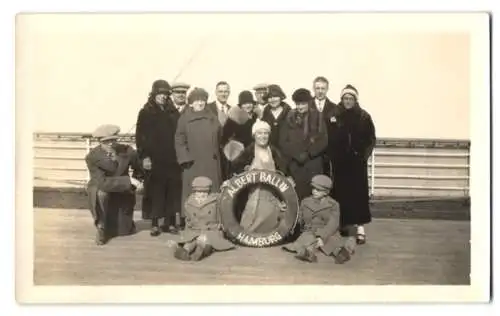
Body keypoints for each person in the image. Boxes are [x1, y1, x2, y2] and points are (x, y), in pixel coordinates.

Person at [326, 84, 376, 244]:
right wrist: (333, 156)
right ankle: (344, 224)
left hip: (357, 163)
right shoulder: (333, 115)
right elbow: (328, 138)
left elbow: (371, 139)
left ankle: (360, 228)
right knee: (341, 193)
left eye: (351, 98)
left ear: (355, 100)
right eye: (345, 98)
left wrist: (363, 156)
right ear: (341, 99)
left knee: (358, 195)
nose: (348, 101)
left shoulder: (364, 116)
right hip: (340, 163)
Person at [135, 79, 183, 236]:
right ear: (154, 95)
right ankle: (155, 223)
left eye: (165, 94)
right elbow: (140, 137)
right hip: (154, 159)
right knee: (155, 191)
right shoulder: (146, 113)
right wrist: (144, 157)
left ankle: (169, 223)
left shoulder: (173, 112)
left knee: (171, 191)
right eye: (160, 94)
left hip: (172, 158)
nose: (163, 97)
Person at [229, 120, 294, 234]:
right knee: (250, 222)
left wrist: (288, 179)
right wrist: (246, 170)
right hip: (254, 193)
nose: (263, 136)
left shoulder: (273, 151)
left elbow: (284, 170)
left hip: (272, 193)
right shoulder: (249, 151)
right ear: (254, 135)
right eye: (259, 133)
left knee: (272, 217)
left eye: (265, 133)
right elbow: (235, 168)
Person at [85, 124, 144, 245]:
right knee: (100, 193)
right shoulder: (92, 157)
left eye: (113, 140)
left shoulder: (127, 151)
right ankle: (101, 226)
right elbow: (103, 183)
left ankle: (122, 223)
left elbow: (140, 169)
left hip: (122, 192)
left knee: (124, 231)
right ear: (99, 142)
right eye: (106, 141)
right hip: (101, 187)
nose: (111, 144)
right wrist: (128, 181)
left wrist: (136, 182)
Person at [281, 175, 356, 264]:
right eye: (313, 188)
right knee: (305, 242)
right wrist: (287, 211)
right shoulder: (305, 202)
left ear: (326, 192)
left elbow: (333, 224)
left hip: (328, 232)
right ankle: (308, 254)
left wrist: (322, 237)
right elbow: (299, 219)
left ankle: (341, 252)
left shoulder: (333, 205)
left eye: (318, 190)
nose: (314, 191)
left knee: (332, 244)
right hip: (309, 231)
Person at [175, 87, 223, 217]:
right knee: (193, 190)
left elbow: (220, 137)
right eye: (197, 101)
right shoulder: (184, 119)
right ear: (191, 102)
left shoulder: (212, 117)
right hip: (193, 163)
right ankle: (190, 218)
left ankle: (213, 217)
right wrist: (185, 158)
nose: (200, 103)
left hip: (210, 162)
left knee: (211, 190)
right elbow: (179, 140)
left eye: (202, 100)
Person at [279, 88, 328, 201]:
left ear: (309, 103)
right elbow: (283, 142)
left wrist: (309, 153)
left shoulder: (318, 117)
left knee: (313, 195)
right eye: (297, 104)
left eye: (303, 104)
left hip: (313, 163)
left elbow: (323, 140)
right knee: (296, 196)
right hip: (295, 165)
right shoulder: (289, 118)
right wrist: (296, 154)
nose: (300, 107)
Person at [171, 176, 236, 261]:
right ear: (194, 192)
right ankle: (184, 251)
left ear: (209, 192)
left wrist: (227, 186)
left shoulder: (216, 200)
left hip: (212, 230)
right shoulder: (189, 203)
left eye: (204, 192)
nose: (201, 195)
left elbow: (226, 197)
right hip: (195, 230)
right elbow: (188, 220)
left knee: (205, 241)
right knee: (190, 241)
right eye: (198, 192)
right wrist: (186, 234)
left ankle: (201, 252)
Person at [221, 90, 258, 166]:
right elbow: (224, 138)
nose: (247, 105)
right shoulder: (234, 118)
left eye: (249, 103)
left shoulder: (256, 116)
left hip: (254, 152)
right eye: (244, 103)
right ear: (240, 105)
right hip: (239, 154)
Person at [310, 76, 337, 178]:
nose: (320, 91)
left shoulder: (335, 108)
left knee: (327, 181)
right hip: (311, 154)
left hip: (328, 154)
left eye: (323, 88)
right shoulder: (307, 106)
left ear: (327, 89)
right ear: (313, 89)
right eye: (317, 88)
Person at [260, 84, 291, 148]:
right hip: (269, 151)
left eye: (275, 96)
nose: (272, 99)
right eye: (270, 97)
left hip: (287, 151)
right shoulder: (265, 113)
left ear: (281, 97)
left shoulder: (289, 112)